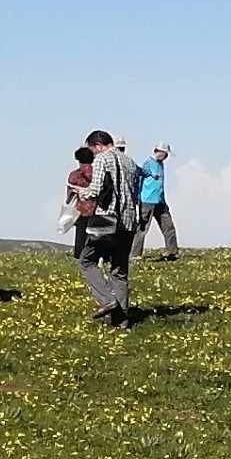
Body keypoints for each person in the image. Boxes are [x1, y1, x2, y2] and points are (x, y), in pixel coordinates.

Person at [72, 130, 141, 325]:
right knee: (119, 271)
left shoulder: (102, 159)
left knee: (87, 260)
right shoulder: (130, 162)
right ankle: (122, 322)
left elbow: (95, 190)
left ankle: (107, 299)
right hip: (128, 221)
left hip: (107, 220)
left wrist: (81, 192)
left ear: (97, 145)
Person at [138, 144, 183, 257]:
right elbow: (139, 176)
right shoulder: (147, 163)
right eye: (166, 154)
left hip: (160, 201)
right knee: (142, 228)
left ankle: (173, 252)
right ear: (160, 152)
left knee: (169, 226)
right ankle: (135, 254)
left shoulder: (161, 164)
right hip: (147, 200)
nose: (167, 156)